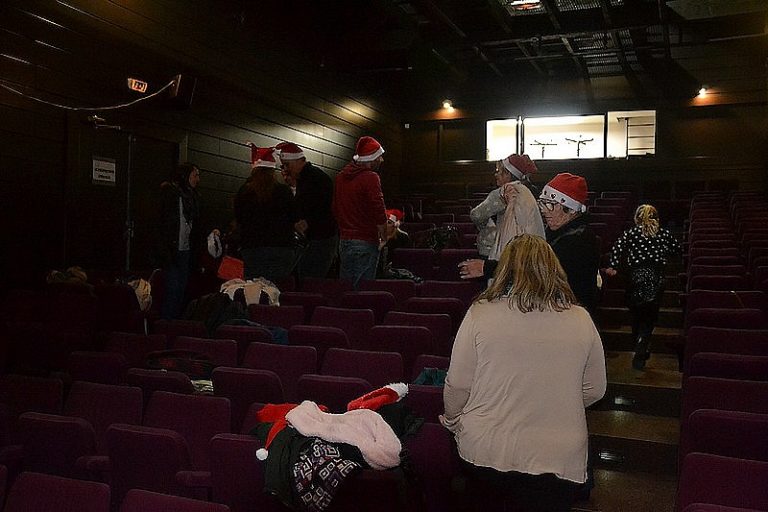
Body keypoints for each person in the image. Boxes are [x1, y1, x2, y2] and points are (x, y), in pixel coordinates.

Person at [442, 234, 606, 512]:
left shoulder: (480, 314)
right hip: (556, 453)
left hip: (488, 446)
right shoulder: (580, 319)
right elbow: (595, 389)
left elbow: (458, 384)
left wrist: (452, 419)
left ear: (504, 270)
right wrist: (555, 403)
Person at [460, 172, 600, 316]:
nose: (544, 210)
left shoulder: (579, 240)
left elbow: (539, 271)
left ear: (571, 209)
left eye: (550, 205)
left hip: (571, 316)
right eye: (542, 204)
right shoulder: (558, 231)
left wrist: (488, 268)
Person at [605, 204, 681, 370]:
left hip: (636, 277)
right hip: (656, 277)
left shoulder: (631, 233)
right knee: (649, 317)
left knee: (636, 316)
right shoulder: (664, 234)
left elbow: (617, 248)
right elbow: (677, 250)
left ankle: (638, 344)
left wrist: (614, 266)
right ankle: (642, 344)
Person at [235, 146, 299, 282]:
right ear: (272, 171)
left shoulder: (244, 192)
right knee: (277, 287)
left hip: (252, 247)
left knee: (254, 288)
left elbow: (239, 218)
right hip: (281, 247)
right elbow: (294, 216)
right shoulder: (283, 191)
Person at [276, 141, 338, 279]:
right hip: (318, 238)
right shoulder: (308, 179)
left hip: (320, 239)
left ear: (299, 161)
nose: (285, 169)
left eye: (287, 165)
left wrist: (306, 222)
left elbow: (322, 209)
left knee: (310, 278)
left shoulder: (315, 179)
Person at [332, 136, 387, 289]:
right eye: (379, 156)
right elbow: (378, 209)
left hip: (344, 241)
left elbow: (335, 208)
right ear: (371, 158)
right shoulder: (371, 177)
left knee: (346, 288)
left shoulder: (340, 177)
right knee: (362, 290)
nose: (381, 160)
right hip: (365, 240)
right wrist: (383, 236)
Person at [470, 153, 544, 259]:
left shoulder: (502, 193)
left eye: (498, 171)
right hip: (523, 249)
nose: (495, 175)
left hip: (497, 250)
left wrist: (484, 226)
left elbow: (476, 215)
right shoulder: (526, 191)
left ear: (508, 174)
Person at [156, 162, 202, 319]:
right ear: (186, 176)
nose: (198, 179)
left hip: (185, 249)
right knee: (173, 289)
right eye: (195, 175)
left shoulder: (192, 197)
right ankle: (167, 323)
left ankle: (173, 322)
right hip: (172, 250)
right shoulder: (171, 194)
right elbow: (162, 223)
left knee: (180, 290)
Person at [377, 209, 413, 277]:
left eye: (389, 222)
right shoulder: (375, 237)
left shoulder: (402, 237)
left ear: (395, 225)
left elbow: (406, 259)